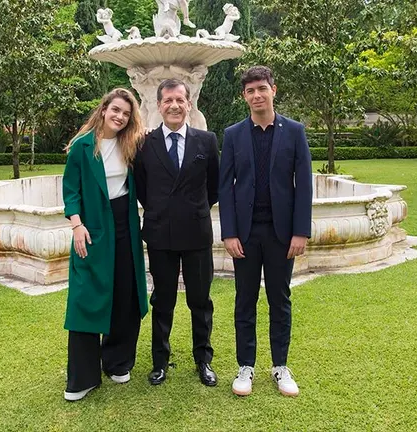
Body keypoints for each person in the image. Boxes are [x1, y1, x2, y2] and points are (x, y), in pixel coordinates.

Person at [218, 66, 313, 397]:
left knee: (279, 298)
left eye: (262, 88)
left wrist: (300, 231)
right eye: (250, 91)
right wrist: (229, 233)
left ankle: (280, 366)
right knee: (245, 299)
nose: (257, 95)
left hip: (281, 234)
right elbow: (225, 188)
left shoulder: (295, 132)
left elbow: (304, 186)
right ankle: (246, 366)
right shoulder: (232, 135)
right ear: (244, 96)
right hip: (244, 234)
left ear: (274, 89)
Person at [61, 88, 149, 401]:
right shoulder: (82, 147)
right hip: (92, 226)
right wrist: (77, 225)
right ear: (103, 109)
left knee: (125, 292)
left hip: (124, 223)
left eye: (126, 113)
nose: (120, 117)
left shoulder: (132, 144)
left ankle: (117, 361)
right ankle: (83, 377)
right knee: (87, 297)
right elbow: (71, 190)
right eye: (115, 110)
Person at [134, 79, 220, 387]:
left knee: (201, 300)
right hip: (160, 234)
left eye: (180, 100)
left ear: (189, 104)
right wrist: (161, 209)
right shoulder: (144, 144)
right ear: (159, 105)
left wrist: (193, 208)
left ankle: (203, 360)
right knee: (163, 300)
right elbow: (142, 188)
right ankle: (160, 361)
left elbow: (214, 186)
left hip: (197, 233)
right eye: (168, 100)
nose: (174, 105)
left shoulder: (206, 141)